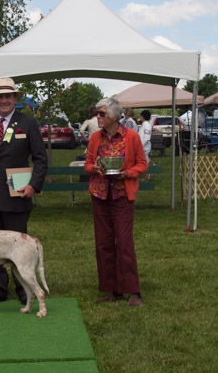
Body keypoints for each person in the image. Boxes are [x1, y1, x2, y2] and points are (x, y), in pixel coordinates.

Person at [0, 77, 48, 306]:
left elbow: (41, 159)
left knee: (17, 246)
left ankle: (23, 288)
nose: (4, 100)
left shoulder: (28, 122)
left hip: (17, 194)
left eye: (8, 96)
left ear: (15, 98)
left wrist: (33, 185)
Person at [84, 97, 148, 307]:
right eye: (97, 113)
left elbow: (142, 164)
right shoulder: (95, 138)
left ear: (114, 116)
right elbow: (88, 164)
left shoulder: (131, 137)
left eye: (101, 114)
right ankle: (113, 290)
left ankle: (133, 291)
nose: (98, 117)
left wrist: (126, 173)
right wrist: (94, 168)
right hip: (100, 195)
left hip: (122, 195)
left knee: (124, 242)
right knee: (103, 243)